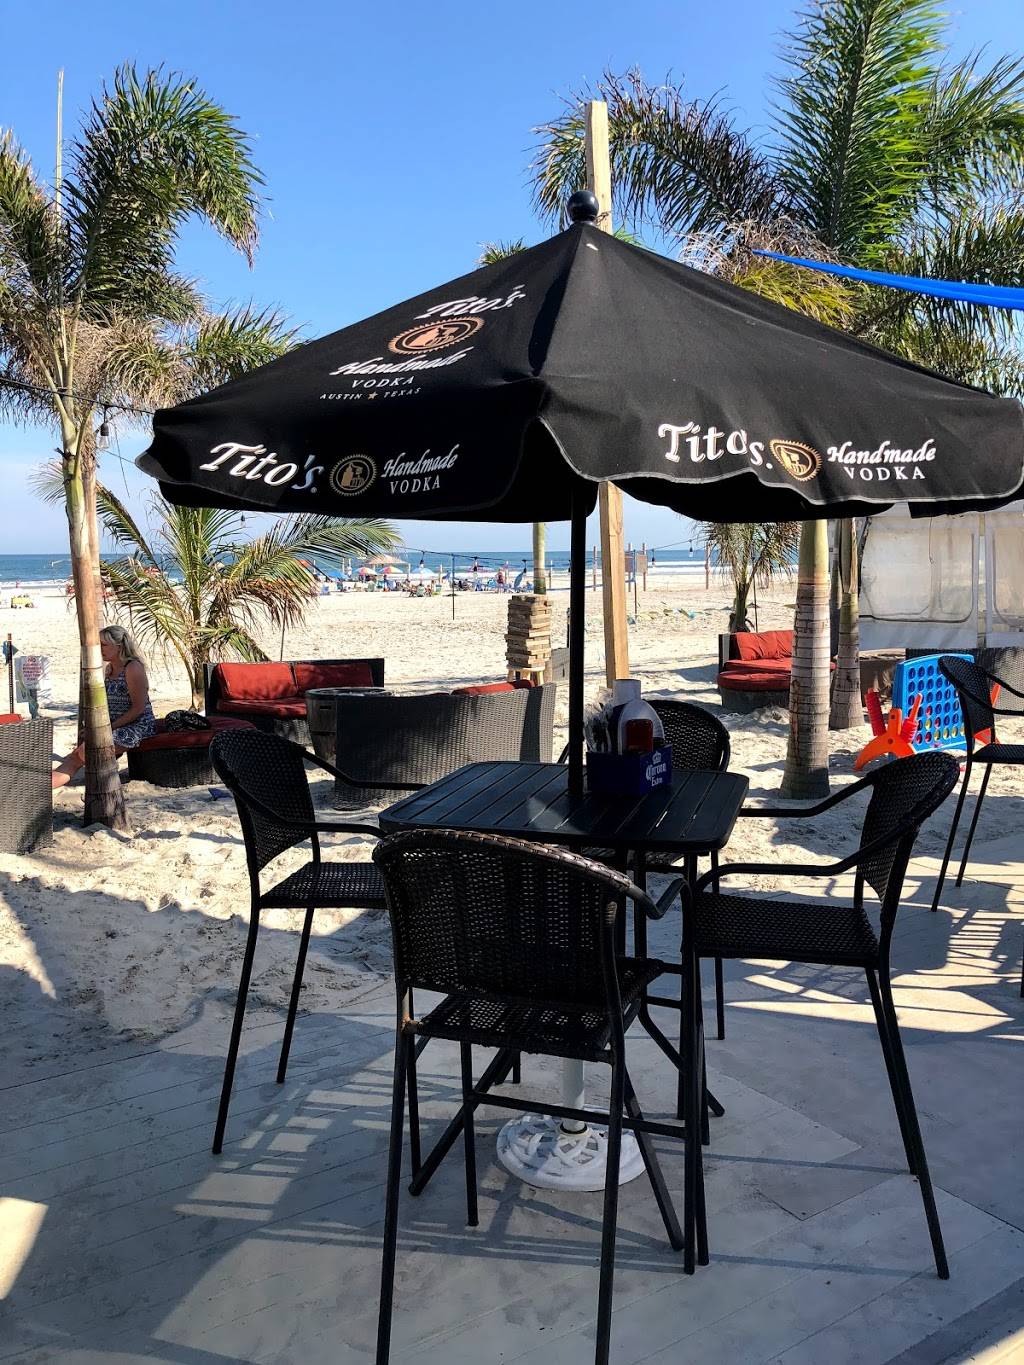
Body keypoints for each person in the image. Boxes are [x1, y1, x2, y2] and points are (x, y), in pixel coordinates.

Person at [51, 625, 157, 788]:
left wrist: (107, 728)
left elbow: (138, 709)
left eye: (104, 645)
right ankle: (39, 788)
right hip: (115, 726)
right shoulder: (109, 669)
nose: (99, 649)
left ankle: (40, 788)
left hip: (138, 726)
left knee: (83, 753)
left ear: (119, 646)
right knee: (76, 755)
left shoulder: (133, 668)